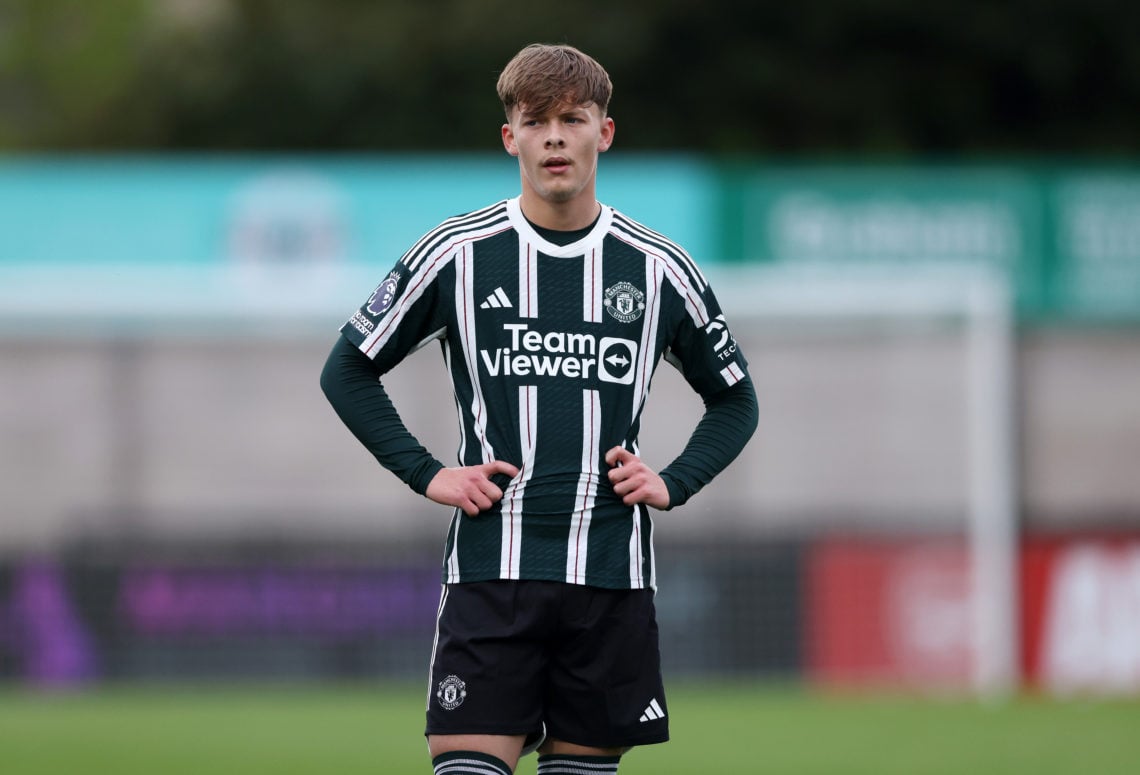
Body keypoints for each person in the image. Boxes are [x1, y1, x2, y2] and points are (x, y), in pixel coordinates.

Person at [321, 43, 758, 775]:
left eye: (572, 118)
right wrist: (427, 472)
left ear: (603, 133)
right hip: (492, 578)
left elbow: (735, 398)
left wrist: (676, 480)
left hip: (609, 582)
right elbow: (348, 369)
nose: (555, 136)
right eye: (536, 120)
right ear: (510, 138)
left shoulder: (657, 267)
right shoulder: (457, 253)